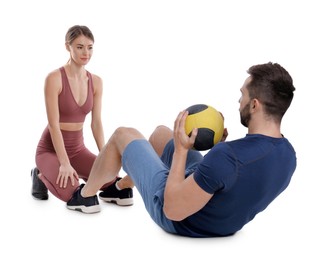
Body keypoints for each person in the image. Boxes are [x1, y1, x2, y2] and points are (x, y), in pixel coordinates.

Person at [67, 62, 296, 238]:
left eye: (242, 95)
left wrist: (180, 151)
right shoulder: (288, 156)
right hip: (217, 214)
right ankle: (121, 188)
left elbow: (172, 209)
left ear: (255, 104)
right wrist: (220, 148)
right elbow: (241, 174)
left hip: (182, 218)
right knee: (160, 134)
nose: (239, 101)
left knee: (123, 135)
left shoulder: (227, 157)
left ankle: (84, 196)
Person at [31, 25, 134, 208]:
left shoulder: (96, 82)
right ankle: (40, 174)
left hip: (77, 150)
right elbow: (53, 125)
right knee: (72, 191)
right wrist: (63, 162)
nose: (86, 52)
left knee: (110, 181)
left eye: (90, 47)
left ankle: (75, 170)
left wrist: (105, 156)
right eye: (79, 47)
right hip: (50, 150)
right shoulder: (54, 78)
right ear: (67, 47)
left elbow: (96, 123)